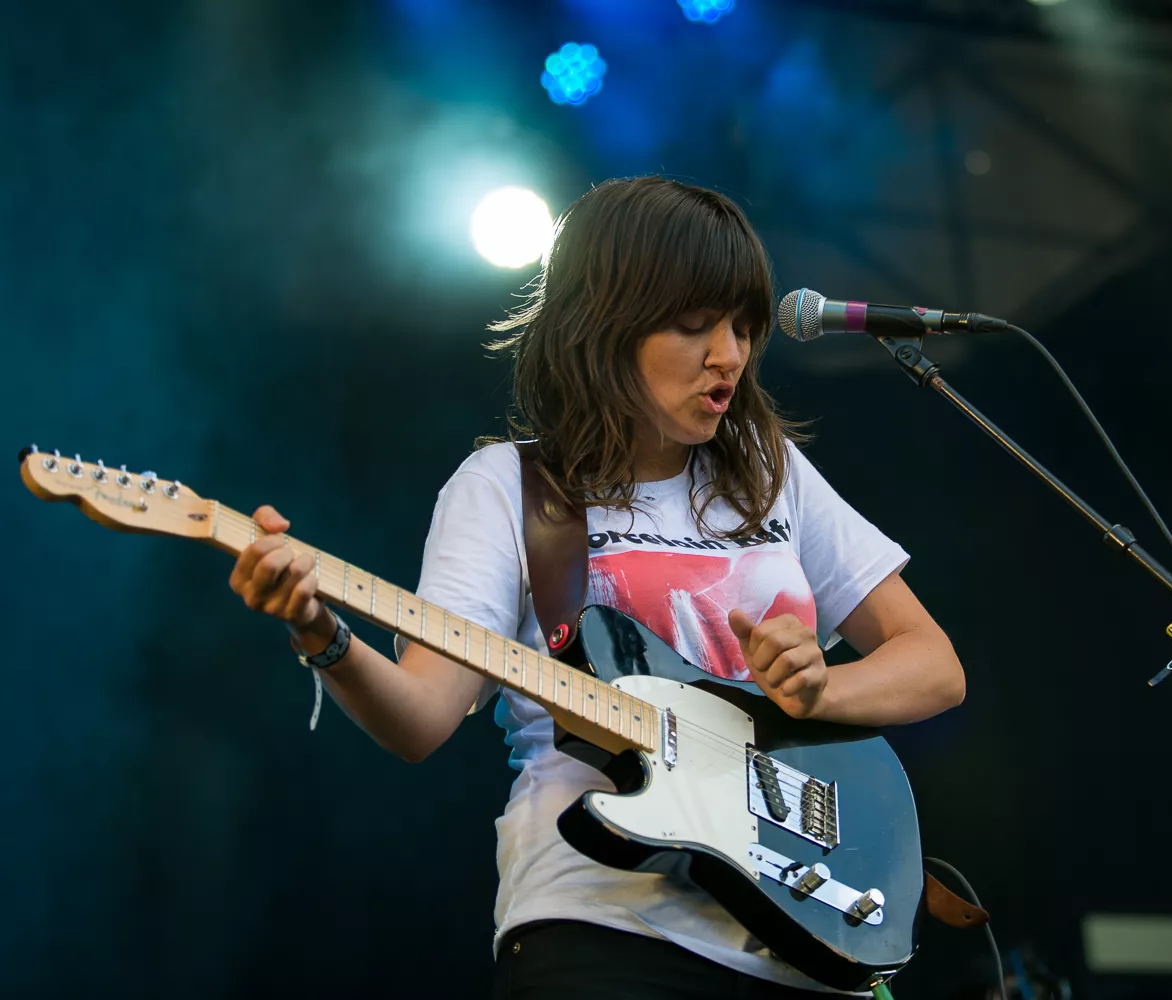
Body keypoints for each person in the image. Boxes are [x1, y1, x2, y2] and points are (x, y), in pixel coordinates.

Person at [228, 176, 966, 998]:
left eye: (743, 327)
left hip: (801, 940)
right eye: (695, 326)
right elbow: (421, 719)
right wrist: (320, 633)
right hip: (602, 927)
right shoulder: (508, 486)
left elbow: (935, 666)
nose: (729, 355)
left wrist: (818, 686)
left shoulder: (771, 474)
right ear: (607, 324)